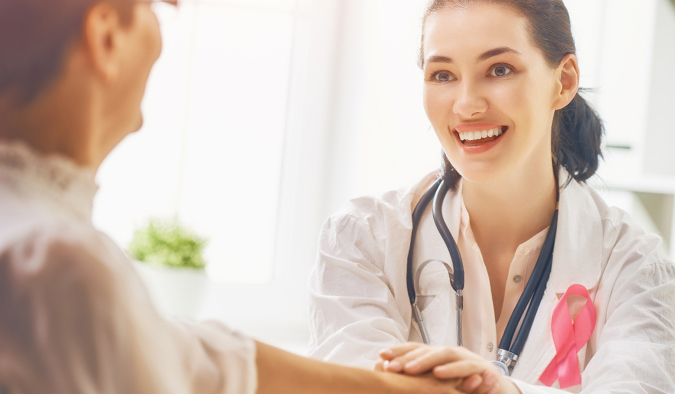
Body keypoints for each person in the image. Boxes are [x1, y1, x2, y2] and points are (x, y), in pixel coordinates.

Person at [0, 0, 468, 393]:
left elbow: (191, 354)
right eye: (155, 10)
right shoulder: (55, 263)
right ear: (106, 37)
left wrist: (395, 388)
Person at [308, 0, 675, 393]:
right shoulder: (362, 239)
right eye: (442, 75)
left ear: (565, 81)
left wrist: (507, 390)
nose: (467, 104)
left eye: (499, 69)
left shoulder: (633, 267)